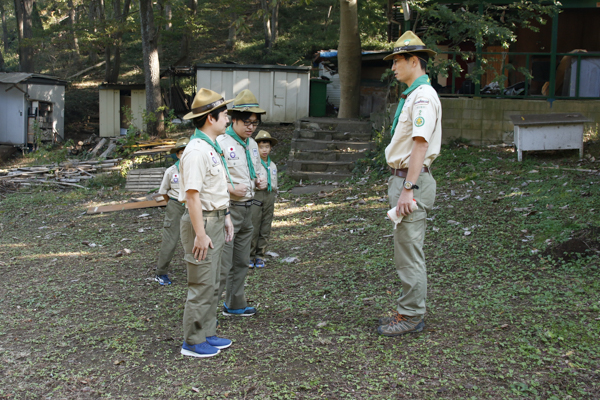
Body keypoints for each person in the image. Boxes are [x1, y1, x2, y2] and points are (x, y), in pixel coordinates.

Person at [377, 31, 442, 336]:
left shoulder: (424, 97)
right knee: (405, 251)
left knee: (409, 253)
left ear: (414, 61)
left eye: (397, 61)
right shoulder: (414, 95)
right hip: (404, 180)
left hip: (410, 182)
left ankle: (412, 315)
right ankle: (408, 310)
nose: (393, 68)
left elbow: (420, 145)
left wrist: (408, 189)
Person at [178, 88, 235, 358]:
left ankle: (207, 332)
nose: (229, 118)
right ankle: (192, 340)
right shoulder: (196, 152)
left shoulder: (212, 147)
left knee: (213, 281)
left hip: (214, 219)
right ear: (210, 118)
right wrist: (200, 234)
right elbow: (192, 196)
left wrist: (225, 217)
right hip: (199, 223)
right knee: (200, 282)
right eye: (225, 114)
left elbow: (214, 191)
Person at [217, 89, 267, 317]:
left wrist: (260, 180)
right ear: (233, 119)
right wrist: (230, 188)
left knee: (241, 262)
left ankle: (234, 304)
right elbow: (209, 179)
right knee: (221, 266)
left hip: (249, 209)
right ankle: (208, 316)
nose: (250, 127)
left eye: (254, 123)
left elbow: (255, 171)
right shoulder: (220, 142)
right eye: (246, 122)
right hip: (228, 211)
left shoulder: (253, 145)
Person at [154, 137, 189, 285]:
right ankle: (161, 273)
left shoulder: (195, 169)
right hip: (175, 205)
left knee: (194, 240)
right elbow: (164, 192)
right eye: (181, 153)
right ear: (177, 154)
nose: (183, 155)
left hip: (191, 206)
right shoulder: (171, 171)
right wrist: (172, 204)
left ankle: (196, 271)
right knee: (170, 241)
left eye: (186, 152)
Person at [249, 130, 278, 268]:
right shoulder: (254, 164)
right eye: (261, 147)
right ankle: (250, 255)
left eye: (267, 147)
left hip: (269, 196)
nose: (264, 150)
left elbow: (275, 184)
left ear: (271, 148)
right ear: (256, 148)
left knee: (266, 227)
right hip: (257, 196)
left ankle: (260, 255)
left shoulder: (272, 166)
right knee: (254, 226)